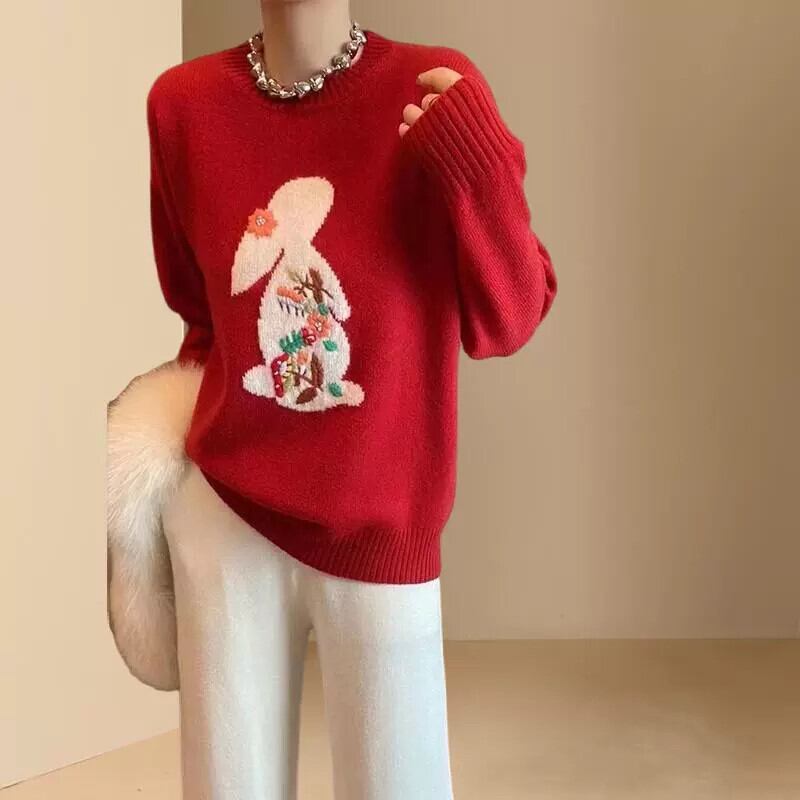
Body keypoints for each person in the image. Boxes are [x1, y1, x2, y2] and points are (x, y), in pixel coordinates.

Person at [107, 1, 557, 798]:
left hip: (381, 523)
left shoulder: (431, 89)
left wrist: (476, 166)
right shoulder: (182, 106)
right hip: (225, 517)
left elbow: (510, 318)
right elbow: (203, 321)